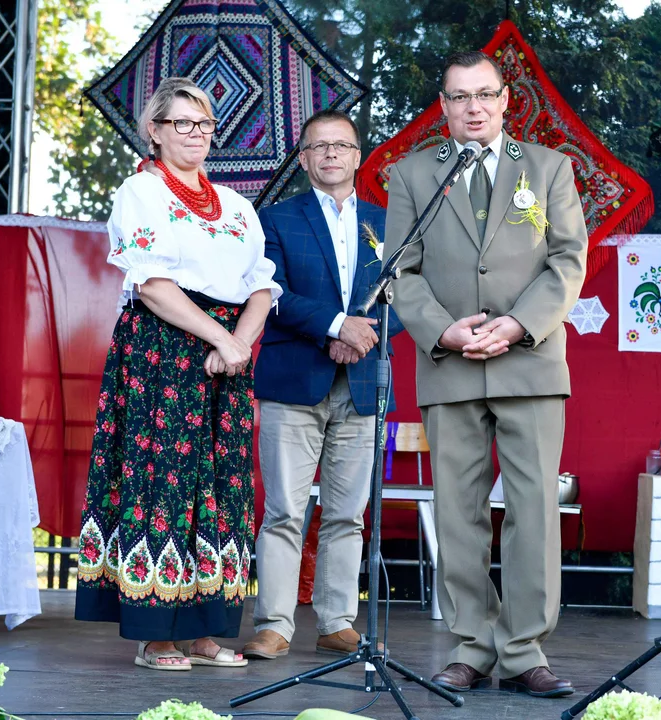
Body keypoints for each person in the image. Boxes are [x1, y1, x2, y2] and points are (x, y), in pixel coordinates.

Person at [383, 50, 587, 698]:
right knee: (457, 511)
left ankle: (525, 651)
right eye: (458, 97)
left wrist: (520, 323)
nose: (473, 107)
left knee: (533, 508)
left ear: (506, 101)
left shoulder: (550, 168)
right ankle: (471, 646)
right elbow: (399, 272)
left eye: (484, 95)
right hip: (449, 361)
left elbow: (567, 261)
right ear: (442, 108)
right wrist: (442, 329)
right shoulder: (413, 175)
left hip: (529, 359)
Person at [75, 77, 282, 671]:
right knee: (160, 481)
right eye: (184, 123)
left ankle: (207, 632)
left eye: (206, 124)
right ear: (156, 131)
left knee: (222, 487)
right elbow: (153, 283)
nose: (197, 134)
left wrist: (238, 343)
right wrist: (219, 336)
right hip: (161, 349)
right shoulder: (140, 193)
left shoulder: (239, 206)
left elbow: (261, 286)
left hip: (228, 357)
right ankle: (156, 636)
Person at [240, 110, 402, 660]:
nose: (331, 154)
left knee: (346, 513)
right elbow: (269, 292)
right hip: (293, 383)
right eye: (319, 147)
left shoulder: (389, 223)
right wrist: (335, 327)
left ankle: (337, 621)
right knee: (284, 510)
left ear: (358, 156)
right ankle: (275, 626)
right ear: (304, 159)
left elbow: (410, 296)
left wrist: (360, 334)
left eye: (342, 145)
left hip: (363, 385)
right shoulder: (275, 220)